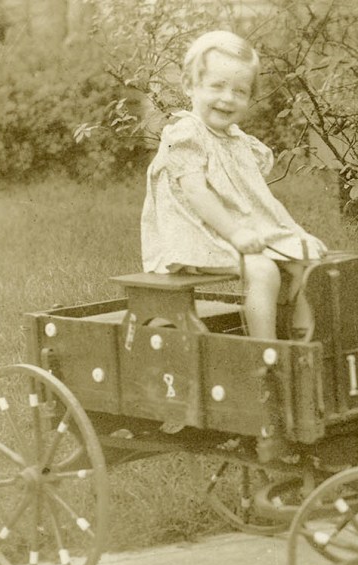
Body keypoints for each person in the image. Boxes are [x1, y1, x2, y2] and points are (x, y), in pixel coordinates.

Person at [141, 30, 327, 341]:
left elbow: (257, 196)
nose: (228, 98)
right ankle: (265, 349)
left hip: (233, 229)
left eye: (240, 91)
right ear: (189, 85)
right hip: (194, 234)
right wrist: (236, 234)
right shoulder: (184, 134)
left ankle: (306, 340)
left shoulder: (238, 140)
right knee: (263, 271)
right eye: (217, 86)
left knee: (307, 262)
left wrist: (290, 231)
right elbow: (196, 193)